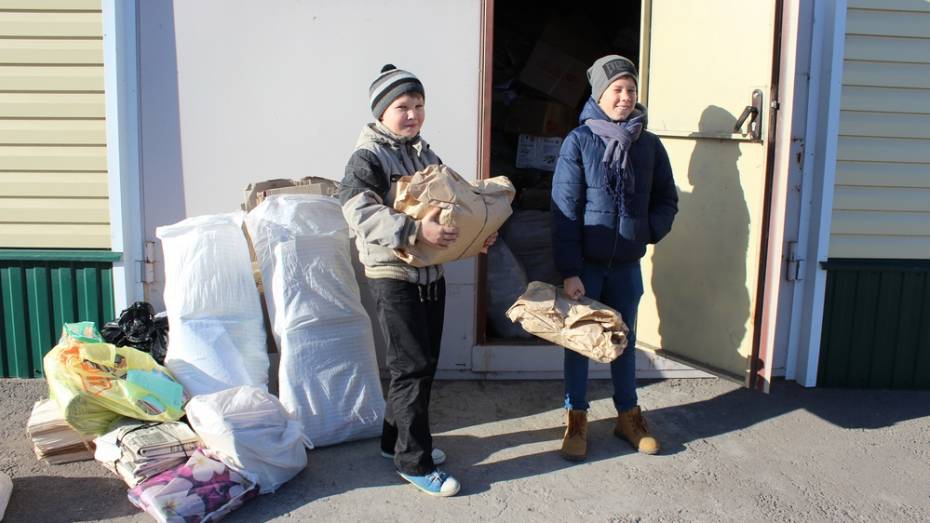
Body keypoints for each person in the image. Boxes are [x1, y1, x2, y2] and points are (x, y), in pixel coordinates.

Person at [339, 64, 494, 497]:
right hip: (394, 275)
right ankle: (414, 461)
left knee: (422, 366)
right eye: (402, 106)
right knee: (410, 368)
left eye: (419, 105)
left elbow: (454, 205)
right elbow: (356, 209)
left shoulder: (425, 155)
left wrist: (476, 234)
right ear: (382, 112)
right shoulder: (368, 157)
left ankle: (395, 443)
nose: (413, 114)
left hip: (431, 274)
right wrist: (412, 231)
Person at [551, 55, 678, 461]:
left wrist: (646, 231)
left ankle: (628, 415)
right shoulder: (579, 141)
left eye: (631, 90)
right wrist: (570, 271)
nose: (625, 97)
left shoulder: (650, 145)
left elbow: (666, 200)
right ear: (599, 95)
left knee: (625, 342)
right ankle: (576, 418)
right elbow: (565, 209)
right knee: (581, 343)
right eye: (617, 90)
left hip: (626, 265)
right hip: (587, 267)